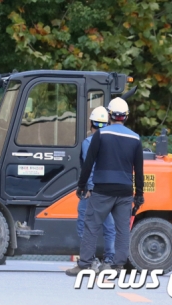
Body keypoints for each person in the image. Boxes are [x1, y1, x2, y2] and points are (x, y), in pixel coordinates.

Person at [66, 97, 144, 276]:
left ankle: (84, 264)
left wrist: (82, 186)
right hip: (125, 191)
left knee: (91, 225)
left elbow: (89, 163)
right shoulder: (135, 138)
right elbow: (139, 170)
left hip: (102, 189)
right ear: (125, 117)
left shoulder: (101, 135)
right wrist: (139, 195)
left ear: (110, 115)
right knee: (122, 229)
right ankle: (117, 266)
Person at [74, 106, 115, 269]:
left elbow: (89, 166)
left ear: (91, 123)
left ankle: (88, 259)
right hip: (109, 188)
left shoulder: (89, 142)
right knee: (109, 224)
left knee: (84, 220)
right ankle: (110, 260)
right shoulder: (112, 140)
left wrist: (89, 187)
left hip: (94, 189)